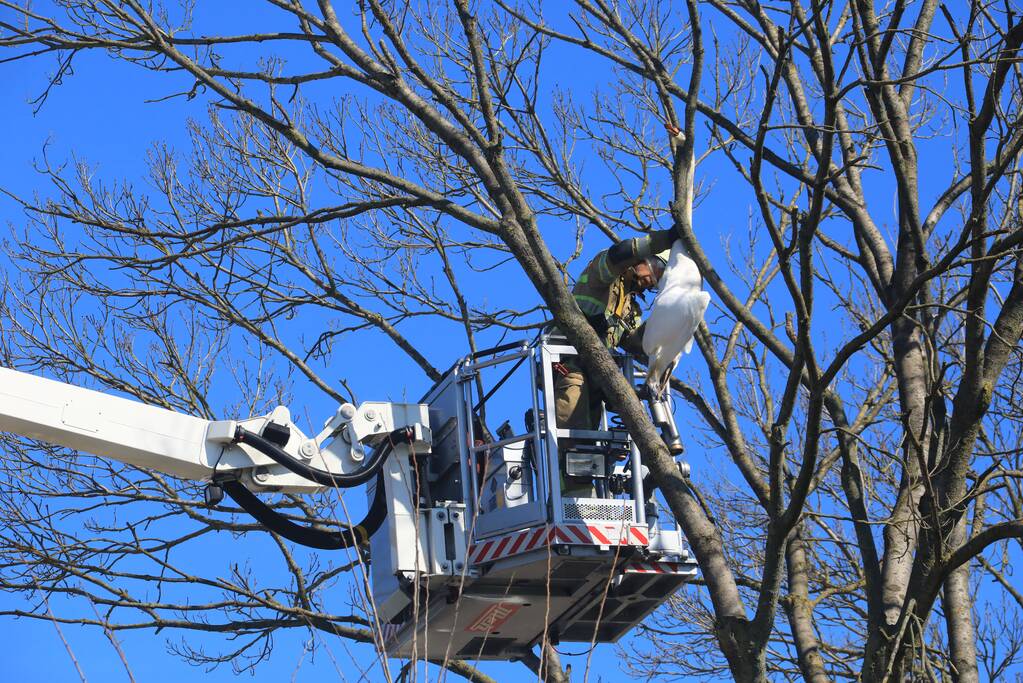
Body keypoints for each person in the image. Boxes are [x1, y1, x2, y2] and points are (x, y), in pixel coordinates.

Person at [553, 229, 676, 495]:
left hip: (596, 377)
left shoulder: (630, 307)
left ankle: (585, 492)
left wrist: (670, 325)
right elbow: (619, 254)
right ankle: (572, 496)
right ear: (644, 258)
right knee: (574, 428)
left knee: (591, 435)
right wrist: (665, 239)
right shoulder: (604, 274)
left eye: (660, 280)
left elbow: (637, 344)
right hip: (568, 366)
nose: (653, 281)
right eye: (657, 270)